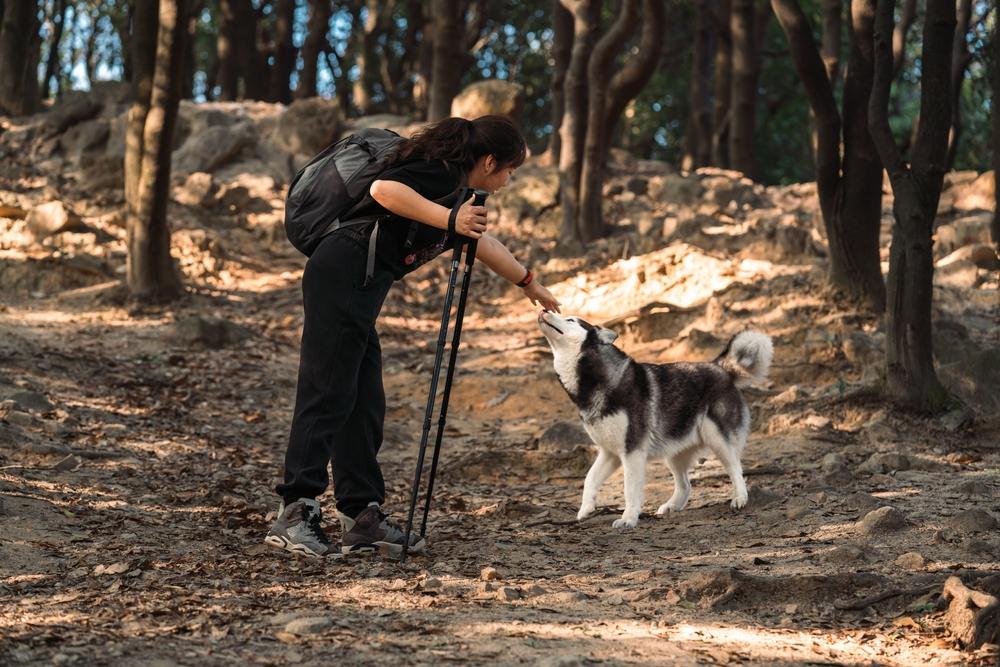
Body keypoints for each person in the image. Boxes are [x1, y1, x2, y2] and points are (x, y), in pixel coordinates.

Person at [265, 115, 561, 558]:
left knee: (363, 401)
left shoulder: (459, 192)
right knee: (327, 391)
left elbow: (480, 242)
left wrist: (528, 283)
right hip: (341, 273)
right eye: (509, 170)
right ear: (488, 161)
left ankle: (360, 514)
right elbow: (383, 190)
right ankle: (295, 510)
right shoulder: (439, 171)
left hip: (360, 285)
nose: (509, 179)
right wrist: (451, 218)